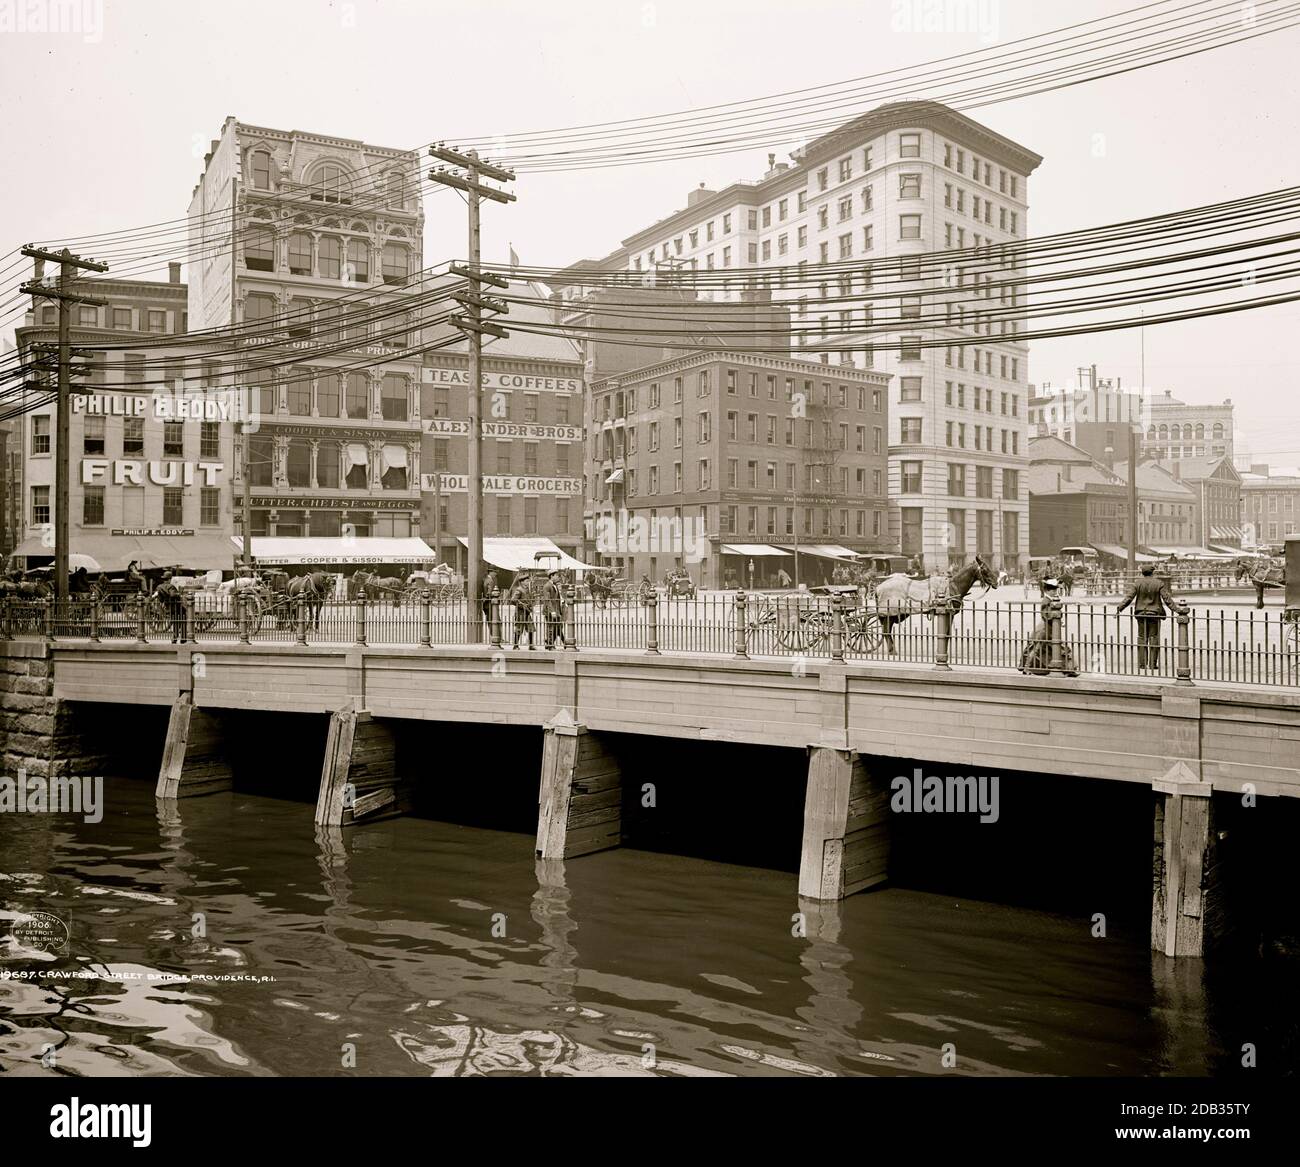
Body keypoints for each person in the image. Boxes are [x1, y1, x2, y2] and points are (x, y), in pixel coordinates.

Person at [1116, 562, 1174, 671]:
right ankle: (1152, 664)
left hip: (1141, 614)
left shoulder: (1137, 583)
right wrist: (1177, 610)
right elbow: (1167, 599)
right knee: (1154, 637)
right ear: (1152, 572)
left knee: (1142, 638)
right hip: (1154, 614)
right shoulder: (1159, 583)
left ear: (1142, 573)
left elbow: (1129, 598)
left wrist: (1120, 608)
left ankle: (1142, 664)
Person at [1019, 578, 1078, 676]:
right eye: (1053, 590)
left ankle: (1069, 669)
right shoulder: (1046, 601)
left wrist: (1058, 621)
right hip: (1044, 629)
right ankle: (1027, 667)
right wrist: (1055, 618)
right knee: (1037, 648)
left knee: (1052, 648)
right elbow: (1045, 615)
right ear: (1048, 590)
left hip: (1049, 628)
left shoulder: (1049, 600)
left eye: (1056, 590)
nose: (1055, 592)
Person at [155, 570, 186, 643]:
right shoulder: (171, 586)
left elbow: (160, 599)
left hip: (169, 607)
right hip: (177, 607)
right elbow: (172, 595)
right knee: (183, 621)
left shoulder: (159, 587)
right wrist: (179, 594)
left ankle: (174, 638)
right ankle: (183, 639)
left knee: (175, 623)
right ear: (170, 579)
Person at [507, 573, 535, 649]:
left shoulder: (527, 589)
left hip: (527, 612)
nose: (527, 582)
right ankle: (515, 645)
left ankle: (531, 646)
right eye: (526, 581)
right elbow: (513, 600)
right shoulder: (519, 589)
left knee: (530, 628)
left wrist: (530, 606)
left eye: (528, 581)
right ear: (522, 582)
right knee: (519, 629)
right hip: (520, 613)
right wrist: (522, 605)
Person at [541, 572, 564, 648]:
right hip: (550, 611)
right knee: (551, 628)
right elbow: (548, 600)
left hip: (556, 610)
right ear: (551, 576)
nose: (558, 577)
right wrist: (552, 611)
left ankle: (549, 643)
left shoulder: (555, 585)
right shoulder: (547, 586)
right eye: (557, 576)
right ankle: (550, 645)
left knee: (558, 627)